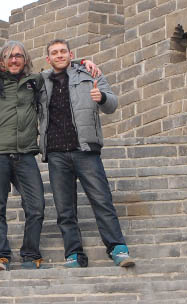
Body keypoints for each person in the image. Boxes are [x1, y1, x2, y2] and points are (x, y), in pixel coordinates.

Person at [0, 38, 99, 272]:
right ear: (2, 60)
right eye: (9, 56)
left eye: (19, 56)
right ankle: (1, 256)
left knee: (36, 206)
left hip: (25, 154)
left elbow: (58, 66)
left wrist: (82, 61)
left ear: (25, 61)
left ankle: (31, 254)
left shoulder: (34, 82)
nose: (14, 59)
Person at [39, 38, 135, 268]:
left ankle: (117, 248)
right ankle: (74, 254)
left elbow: (112, 104)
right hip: (56, 153)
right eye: (55, 52)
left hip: (86, 150)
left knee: (102, 200)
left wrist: (100, 97)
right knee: (64, 208)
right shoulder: (41, 81)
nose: (59, 55)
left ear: (71, 54)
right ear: (48, 58)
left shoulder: (90, 74)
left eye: (63, 51)